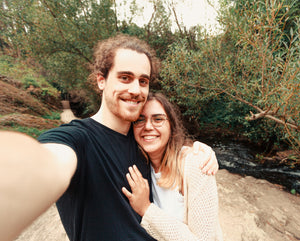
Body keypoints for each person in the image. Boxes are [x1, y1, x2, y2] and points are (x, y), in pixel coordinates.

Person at [0, 34, 218, 241]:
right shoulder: (77, 139)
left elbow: (170, 150)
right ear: (101, 80)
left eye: (143, 81)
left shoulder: (142, 142)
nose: (135, 89)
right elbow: (47, 162)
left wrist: (199, 151)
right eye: (125, 78)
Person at [122, 92, 223, 240]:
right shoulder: (140, 166)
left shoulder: (196, 164)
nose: (148, 126)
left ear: (171, 126)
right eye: (139, 120)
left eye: (158, 119)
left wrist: (146, 209)